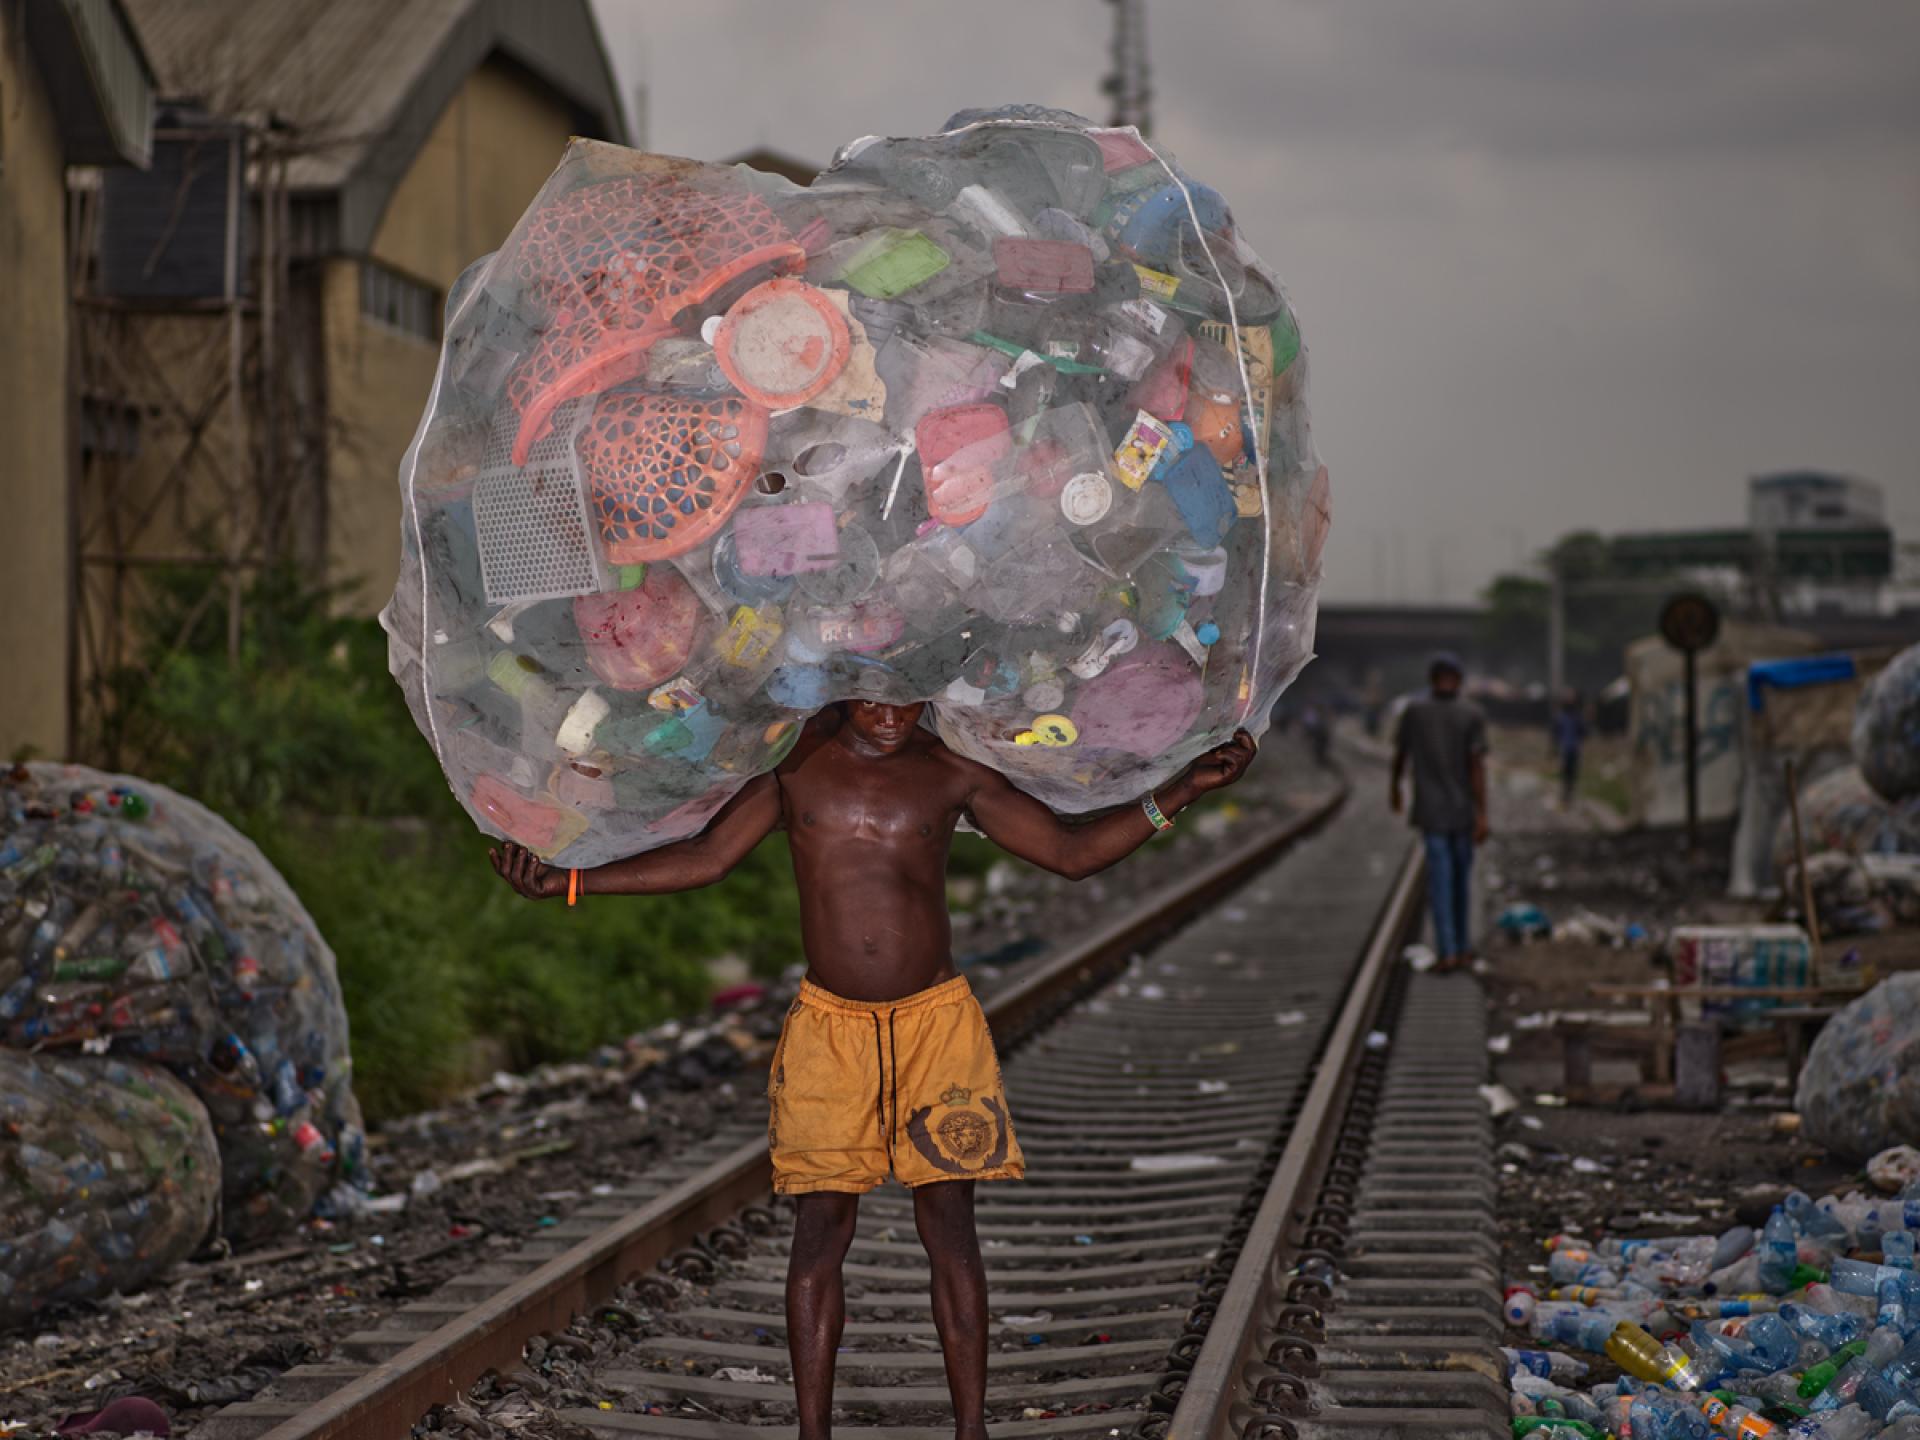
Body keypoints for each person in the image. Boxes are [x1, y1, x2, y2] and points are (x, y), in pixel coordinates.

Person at [492, 702, 1257, 1440]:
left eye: (906, 698)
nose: (891, 714)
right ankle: (813, 1432)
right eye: (872, 698)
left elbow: (1071, 854)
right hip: (831, 1031)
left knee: (951, 1229)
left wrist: (1182, 790)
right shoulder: (792, 767)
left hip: (936, 1024)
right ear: (839, 683)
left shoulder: (951, 770)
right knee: (820, 1232)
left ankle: (970, 1428)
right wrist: (569, 882)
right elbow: (706, 858)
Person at [1389, 653, 1488, 972]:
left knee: (1446, 883)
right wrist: (1482, 813)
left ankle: (1452, 950)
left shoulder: (1415, 712)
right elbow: (1476, 767)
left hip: (1438, 812)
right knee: (1455, 882)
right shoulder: (1471, 713)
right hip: (1456, 811)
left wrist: (1395, 787)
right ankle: (1456, 949)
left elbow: (1401, 753)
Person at [1552, 691, 1587, 809]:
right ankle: (1565, 795)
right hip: (1565, 749)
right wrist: (1554, 748)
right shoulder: (1561, 717)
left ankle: (1569, 795)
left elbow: (1583, 732)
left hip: (1573, 749)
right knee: (1566, 773)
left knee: (1572, 773)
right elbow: (1555, 734)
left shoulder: (1576, 717)